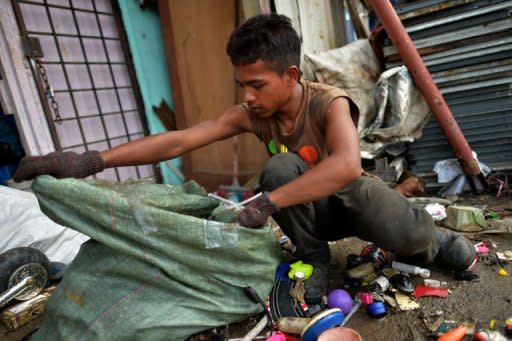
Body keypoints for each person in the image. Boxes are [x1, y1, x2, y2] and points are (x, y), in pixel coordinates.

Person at [13, 13, 476, 304]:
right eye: (242, 86)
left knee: (390, 217)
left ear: (290, 75)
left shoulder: (328, 102)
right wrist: (91, 160)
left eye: (257, 85)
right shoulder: (253, 114)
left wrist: (267, 204)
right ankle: (313, 259)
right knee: (276, 168)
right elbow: (180, 140)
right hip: (315, 215)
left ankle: (436, 242)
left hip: (355, 200)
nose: (248, 97)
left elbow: (346, 168)